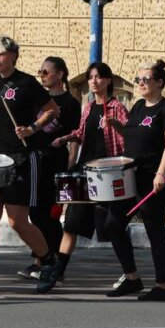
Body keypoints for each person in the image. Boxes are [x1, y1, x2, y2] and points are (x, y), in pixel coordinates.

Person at [0, 35, 60, 293]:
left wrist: (32, 128)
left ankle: (49, 260)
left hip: (21, 156)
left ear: (13, 57)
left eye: (2, 54)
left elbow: (53, 110)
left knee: (18, 220)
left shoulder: (27, 83)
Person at [100, 60, 165, 301]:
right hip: (132, 176)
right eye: (138, 80)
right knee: (113, 224)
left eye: (146, 79)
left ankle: (162, 286)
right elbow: (134, 137)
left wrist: (160, 174)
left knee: (153, 226)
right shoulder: (137, 107)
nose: (140, 83)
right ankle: (132, 277)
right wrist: (117, 125)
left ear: (159, 82)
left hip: (156, 177)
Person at [49, 62, 126, 291]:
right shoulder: (88, 107)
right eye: (91, 77)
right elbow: (81, 133)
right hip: (86, 171)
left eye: (99, 77)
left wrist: (117, 125)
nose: (94, 81)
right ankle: (58, 271)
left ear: (108, 80)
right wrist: (64, 139)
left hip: (107, 173)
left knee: (111, 227)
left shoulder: (117, 108)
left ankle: (128, 271)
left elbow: (129, 137)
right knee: (71, 223)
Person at [20, 56, 81, 283]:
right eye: (40, 71)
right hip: (36, 161)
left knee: (51, 213)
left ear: (60, 75)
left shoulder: (71, 103)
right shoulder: (38, 100)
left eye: (46, 72)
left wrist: (71, 167)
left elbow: (74, 138)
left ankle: (49, 261)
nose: (42, 76)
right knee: (35, 212)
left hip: (57, 162)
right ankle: (41, 259)